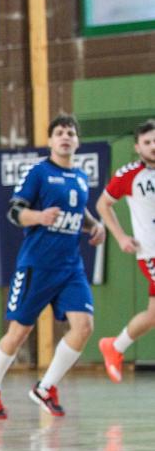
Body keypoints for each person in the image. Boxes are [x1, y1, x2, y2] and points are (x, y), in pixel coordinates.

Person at [0, 115, 106, 419]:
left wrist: (94, 225)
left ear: (77, 142)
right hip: (37, 265)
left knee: (84, 327)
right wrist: (39, 217)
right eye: (59, 132)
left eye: (70, 133)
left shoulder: (79, 177)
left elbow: (78, 209)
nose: (65, 137)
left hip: (70, 267)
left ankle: (45, 387)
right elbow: (15, 212)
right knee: (19, 332)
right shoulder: (39, 173)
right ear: (50, 141)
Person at [96, 119, 155, 383]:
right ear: (137, 147)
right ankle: (115, 346)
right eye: (147, 142)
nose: (153, 146)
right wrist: (120, 237)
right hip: (151, 252)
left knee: (153, 315)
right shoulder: (129, 174)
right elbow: (103, 205)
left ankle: (115, 346)